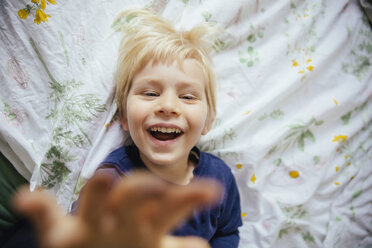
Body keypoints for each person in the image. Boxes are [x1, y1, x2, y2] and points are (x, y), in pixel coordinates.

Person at [13, 8, 242, 248]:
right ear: (123, 117)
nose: (167, 106)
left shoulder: (220, 179)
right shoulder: (112, 180)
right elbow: (87, 232)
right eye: (150, 93)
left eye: (187, 97)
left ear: (208, 121)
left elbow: (227, 231)